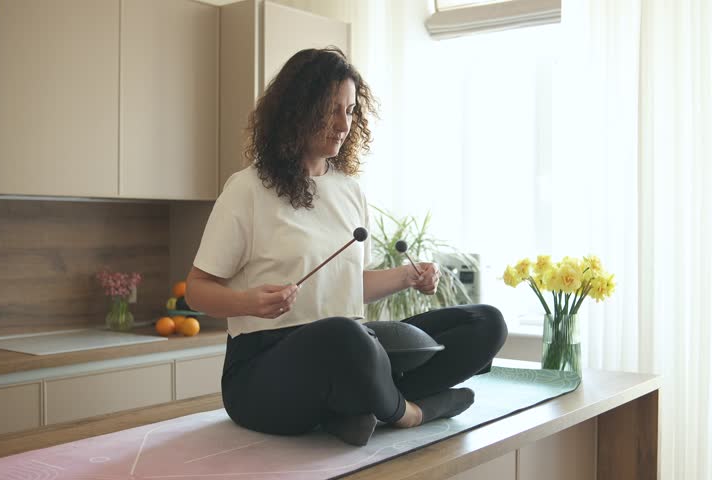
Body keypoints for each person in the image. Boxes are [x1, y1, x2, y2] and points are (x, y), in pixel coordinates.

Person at [185, 46, 506, 446]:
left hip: (351, 350)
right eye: (331, 110)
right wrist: (249, 302)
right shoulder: (247, 189)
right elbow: (197, 290)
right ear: (296, 110)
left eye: (351, 110)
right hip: (262, 374)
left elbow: (350, 283)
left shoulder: (349, 190)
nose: (344, 124)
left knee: (486, 322)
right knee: (345, 336)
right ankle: (407, 412)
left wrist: (408, 276)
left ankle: (357, 407)